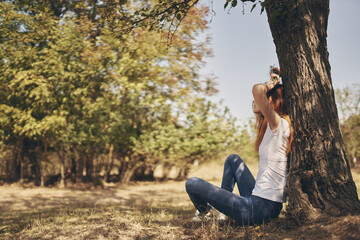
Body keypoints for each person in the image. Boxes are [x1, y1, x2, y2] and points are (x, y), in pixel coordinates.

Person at [185, 67, 293, 225]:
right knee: (233, 159)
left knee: (192, 183)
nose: (254, 102)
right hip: (260, 200)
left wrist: (270, 85)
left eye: (259, 100)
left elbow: (257, 90)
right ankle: (218, 212)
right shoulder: (272, 126)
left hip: (260, 208)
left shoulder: (279, 124)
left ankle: (206, 212)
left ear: (270, 101)